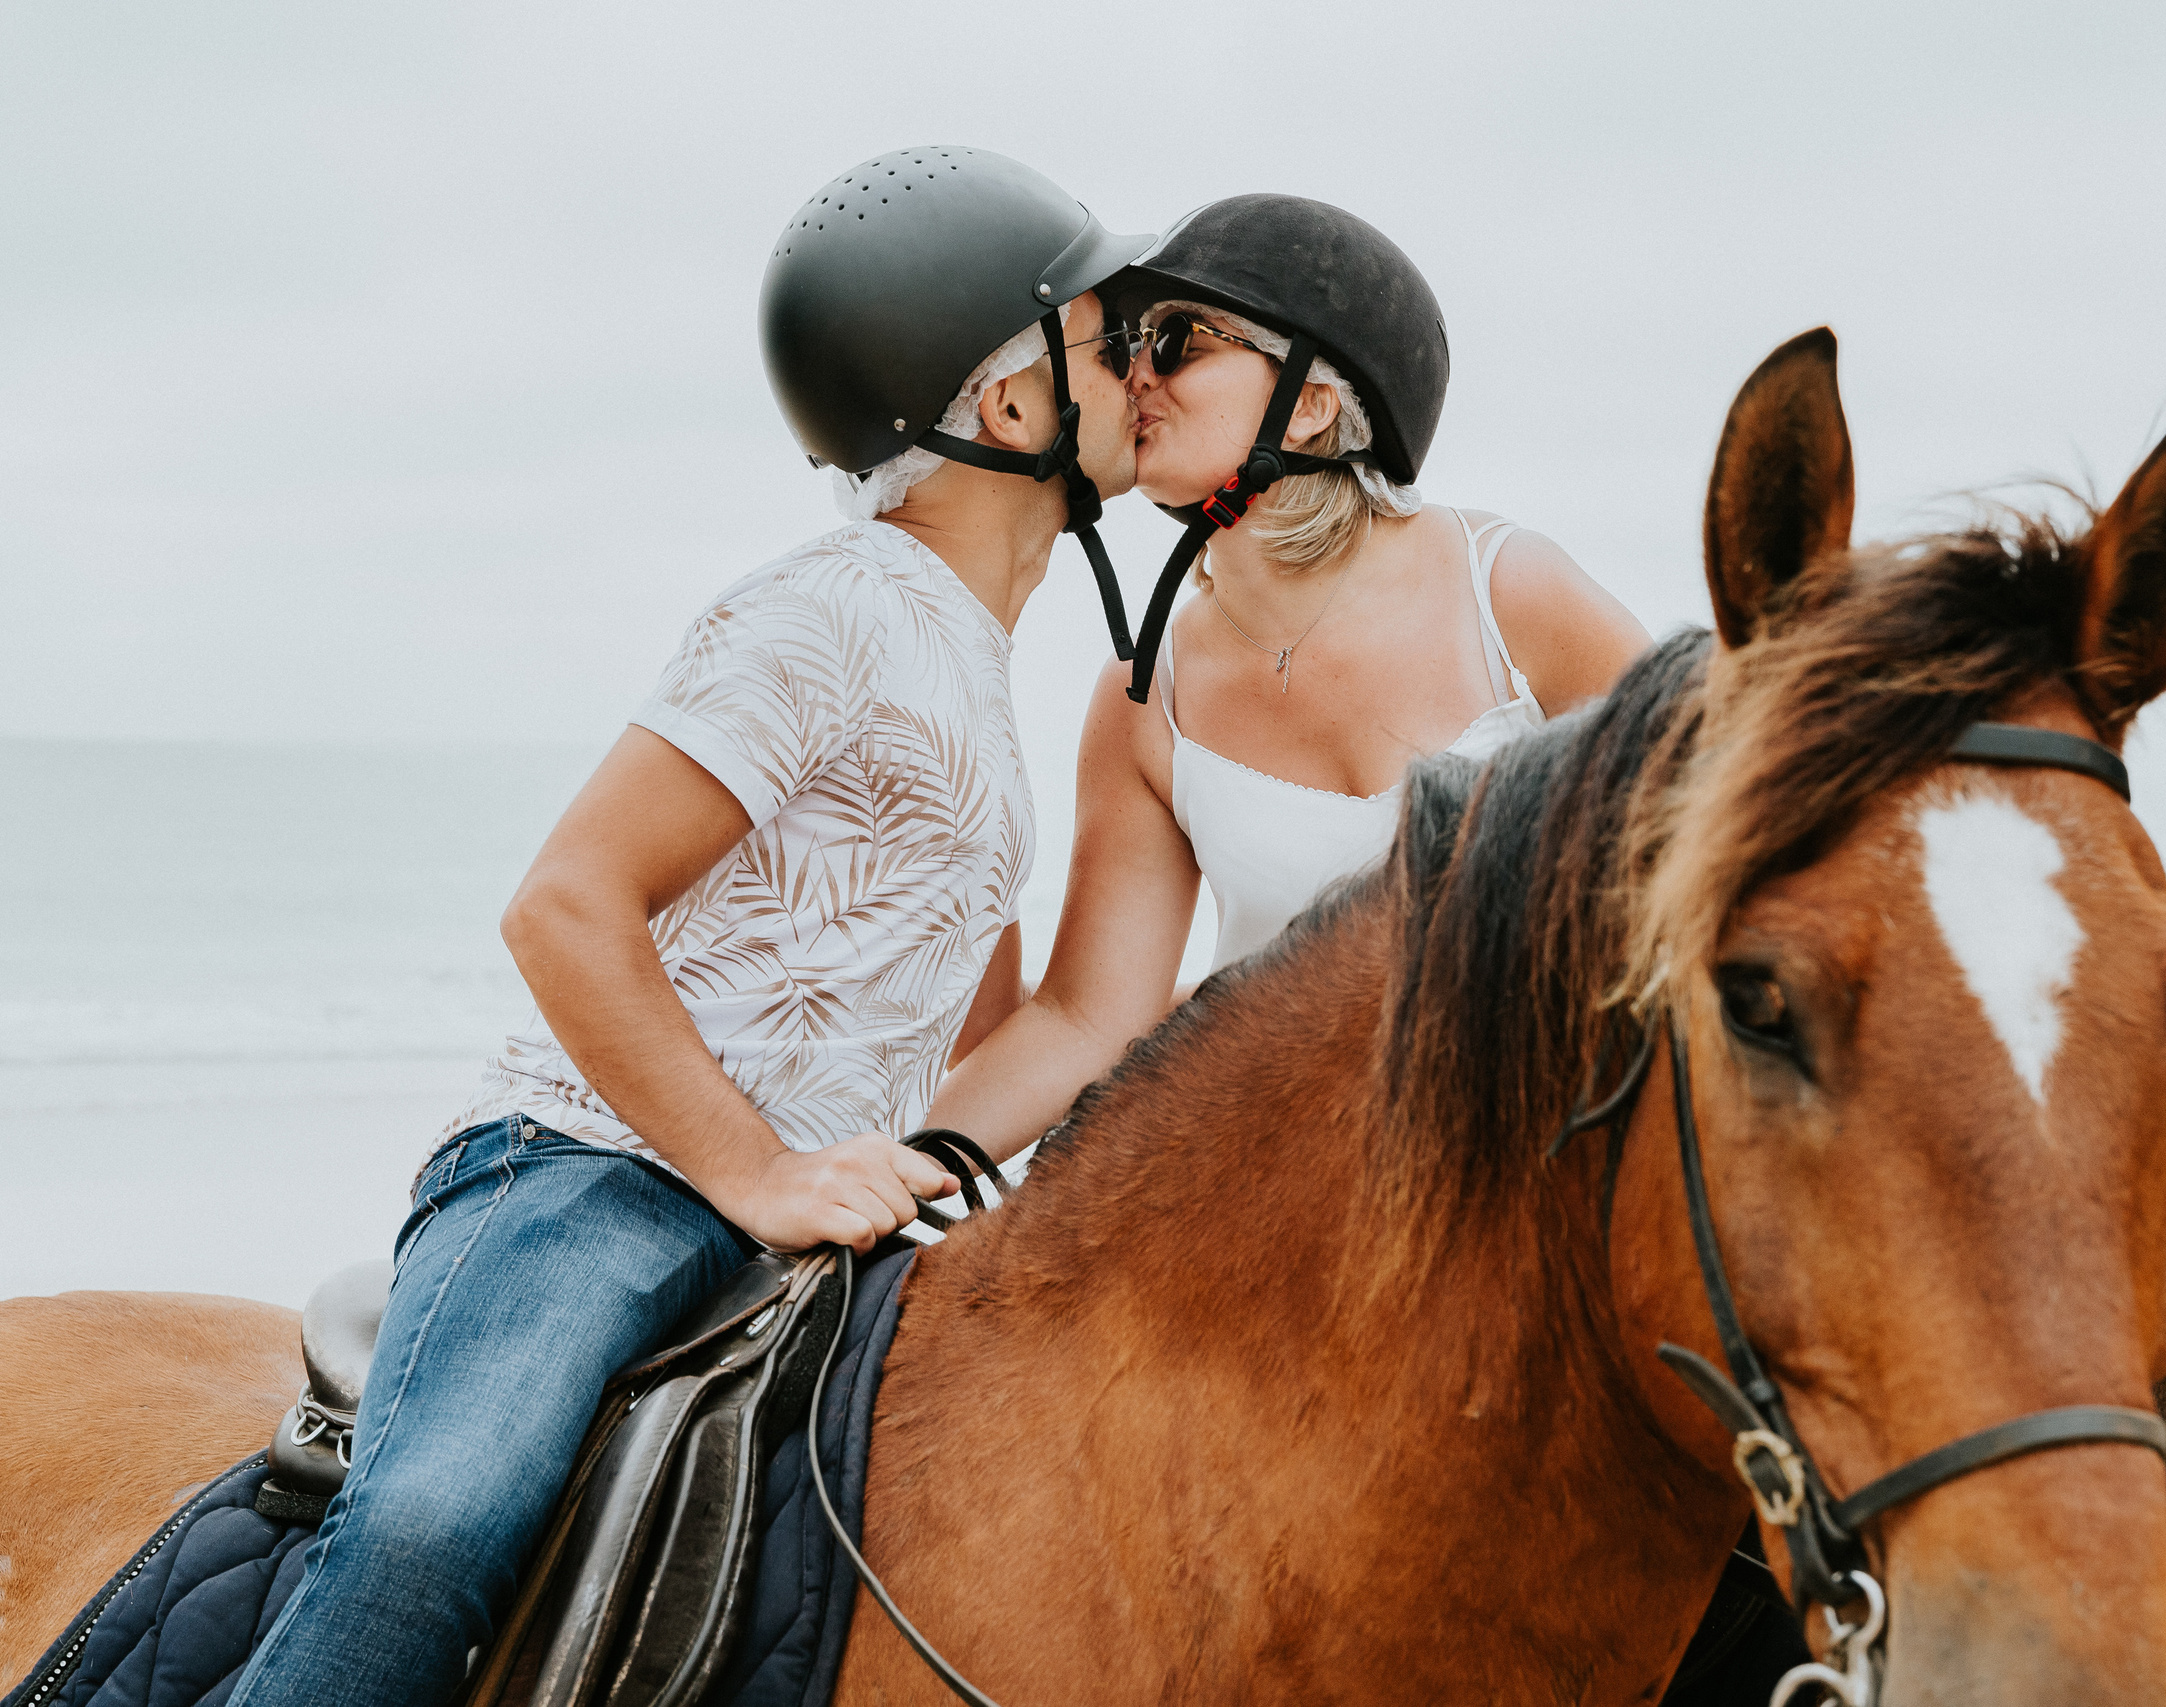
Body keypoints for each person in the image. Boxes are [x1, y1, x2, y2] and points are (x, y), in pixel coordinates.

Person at [226, 146, 1151, 1707]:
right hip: (591, 1175)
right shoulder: (837, 600)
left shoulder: (979, 676)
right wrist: (761, 1168)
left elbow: (968, 1032)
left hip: (802, 1226)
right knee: (435, 1527)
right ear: (1008, 405)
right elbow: (566, 904)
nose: (1141, 361)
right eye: (1108, 332)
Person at [924, 194, 1652, 1160]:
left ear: (1310, 404)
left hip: (1547, 1164)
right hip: (1288, 1188)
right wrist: (886, 1174)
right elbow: (1083, 1025)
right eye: (1131, 341)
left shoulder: (1509, 595)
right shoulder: (1147, 696)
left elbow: (1720, 845)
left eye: (1178, 340)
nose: (1132, 374)